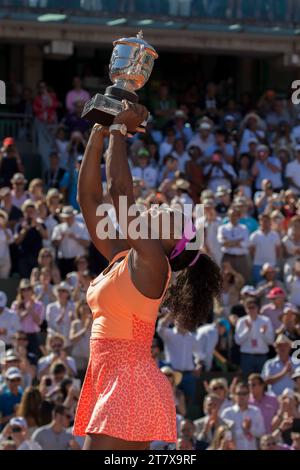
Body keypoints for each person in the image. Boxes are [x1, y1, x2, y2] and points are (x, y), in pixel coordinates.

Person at [72, 104, 222, 450]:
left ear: (173, 240)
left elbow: (121, 195)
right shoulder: (125, 256)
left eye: (170, 213)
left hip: (129, 377)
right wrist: (101, 127)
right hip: (112, 371)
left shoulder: (156, 264)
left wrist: (120, 132)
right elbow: (89, 198)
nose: (160, 206)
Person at [235, 297, 274, 378]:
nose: (251, 310)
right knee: (247, 381)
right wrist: (247, 330)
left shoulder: (266, 320)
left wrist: (264, 333)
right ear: (245, 309)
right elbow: (238, 341)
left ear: (258, 308)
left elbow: (271, 341)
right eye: (249, 308)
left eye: (253, 307)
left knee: (263, 381)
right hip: (247, 357)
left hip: (262, 357)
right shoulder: (241, 321)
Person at [221, 382, 266, 450]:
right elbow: (225, 436)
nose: (241, 396)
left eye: (244, 393)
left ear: (249, 395)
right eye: (238, 394)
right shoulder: (227, 413)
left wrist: (250, 429)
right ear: (234, 395)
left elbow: (262, 432)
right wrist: (244, 431)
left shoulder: (255, 411)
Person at [51, 206, 90, 278]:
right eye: (66, 217)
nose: (68, 219)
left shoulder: (81, 227)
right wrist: (60, 239)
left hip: (78, 261)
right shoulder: (58, 228)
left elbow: (87, 243)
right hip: (64, 261)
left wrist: (75, 238)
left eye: (70, 217)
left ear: (74, 216)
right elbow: (53, 243)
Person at [11, 279, 44, 356]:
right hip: (19, 336)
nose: (26, 292)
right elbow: (14, 321)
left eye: (28, 289)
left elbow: (39, 322)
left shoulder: (39, 305)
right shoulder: (16, 305)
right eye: (23, 290)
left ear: (32, 290)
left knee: (33, 357)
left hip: (33, 336)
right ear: (20, 291)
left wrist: (31, 310)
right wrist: (27, 312)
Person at [217, 207, 250, 282]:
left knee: (243, 280)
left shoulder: (244, 228)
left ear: (239, 216)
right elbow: (222, 243)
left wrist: (229, 242)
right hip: (227, 257)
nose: (233, 217)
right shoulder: (223, 228)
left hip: (241, 258)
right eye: (231, 215)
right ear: (228, 216)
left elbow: (245, 244)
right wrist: (237, 241)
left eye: (236, 215)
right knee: (226, 280)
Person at [249, 213, 281, 285]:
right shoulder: (254, 235)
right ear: (260, 222)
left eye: (266, 221)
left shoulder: (275, 235)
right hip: (258, 265)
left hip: (272, 265)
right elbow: (251, 251)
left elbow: (278, 250)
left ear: (270, 222)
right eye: (263, 221)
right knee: (259, 285)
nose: (265, 223)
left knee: (273, 285)